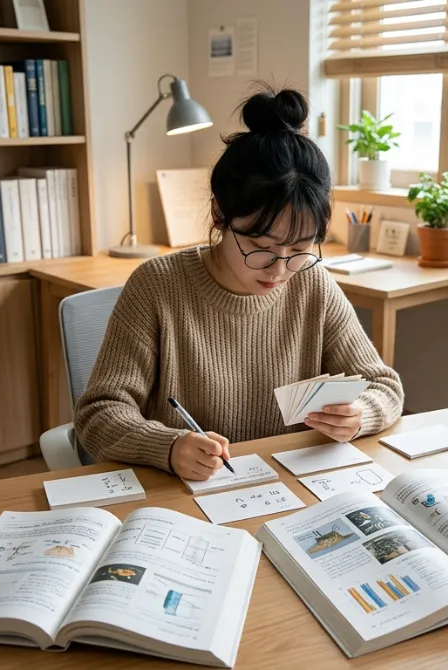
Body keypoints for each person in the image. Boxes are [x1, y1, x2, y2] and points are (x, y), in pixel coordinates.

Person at [75, 86, 404, 481]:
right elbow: (99, 413)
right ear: (219, 215)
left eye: (300, 247)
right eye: (260, 247)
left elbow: (385, 386)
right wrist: (169, 446)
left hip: (290, 489)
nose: (280, 270)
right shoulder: (158, 287)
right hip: (190, 496)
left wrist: (360, 414)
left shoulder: (312, 284)